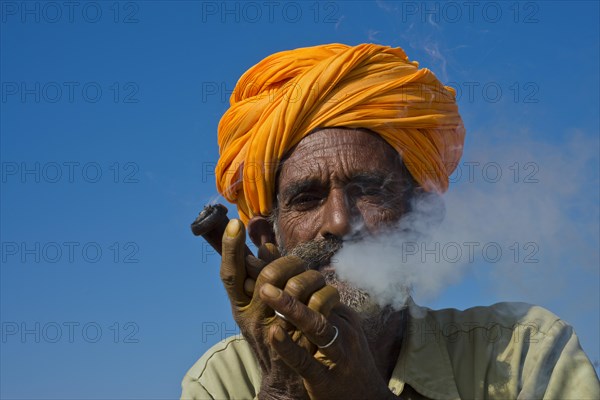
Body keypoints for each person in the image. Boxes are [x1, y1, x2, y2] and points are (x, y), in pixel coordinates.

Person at [181, 44, 599, 399]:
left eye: (369, 190)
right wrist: (281, 390)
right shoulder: (223, 382)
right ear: (268, 239)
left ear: (422, 216)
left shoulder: (524, 352)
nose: (341, 223)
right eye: (307, 199)